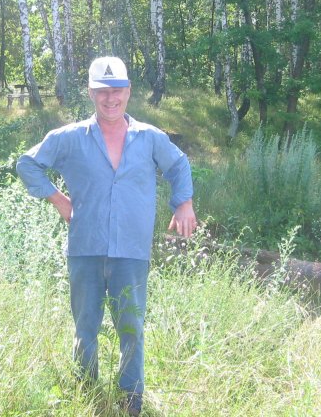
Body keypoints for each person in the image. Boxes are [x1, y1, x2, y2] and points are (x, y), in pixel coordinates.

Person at [16, 56, 197, 416]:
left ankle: (131, 402)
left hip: (131, 250)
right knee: (85, 326)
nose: (110, 98)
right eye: (102, 91)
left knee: (131, 327)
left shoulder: (150, 138)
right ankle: (87, 395)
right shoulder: (69, 137)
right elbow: (27, 164)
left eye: (117, 90)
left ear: (128, 91)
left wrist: (184, 203)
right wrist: (59, 199)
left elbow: (178, 165)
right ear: (91, 93)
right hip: (85, 248)